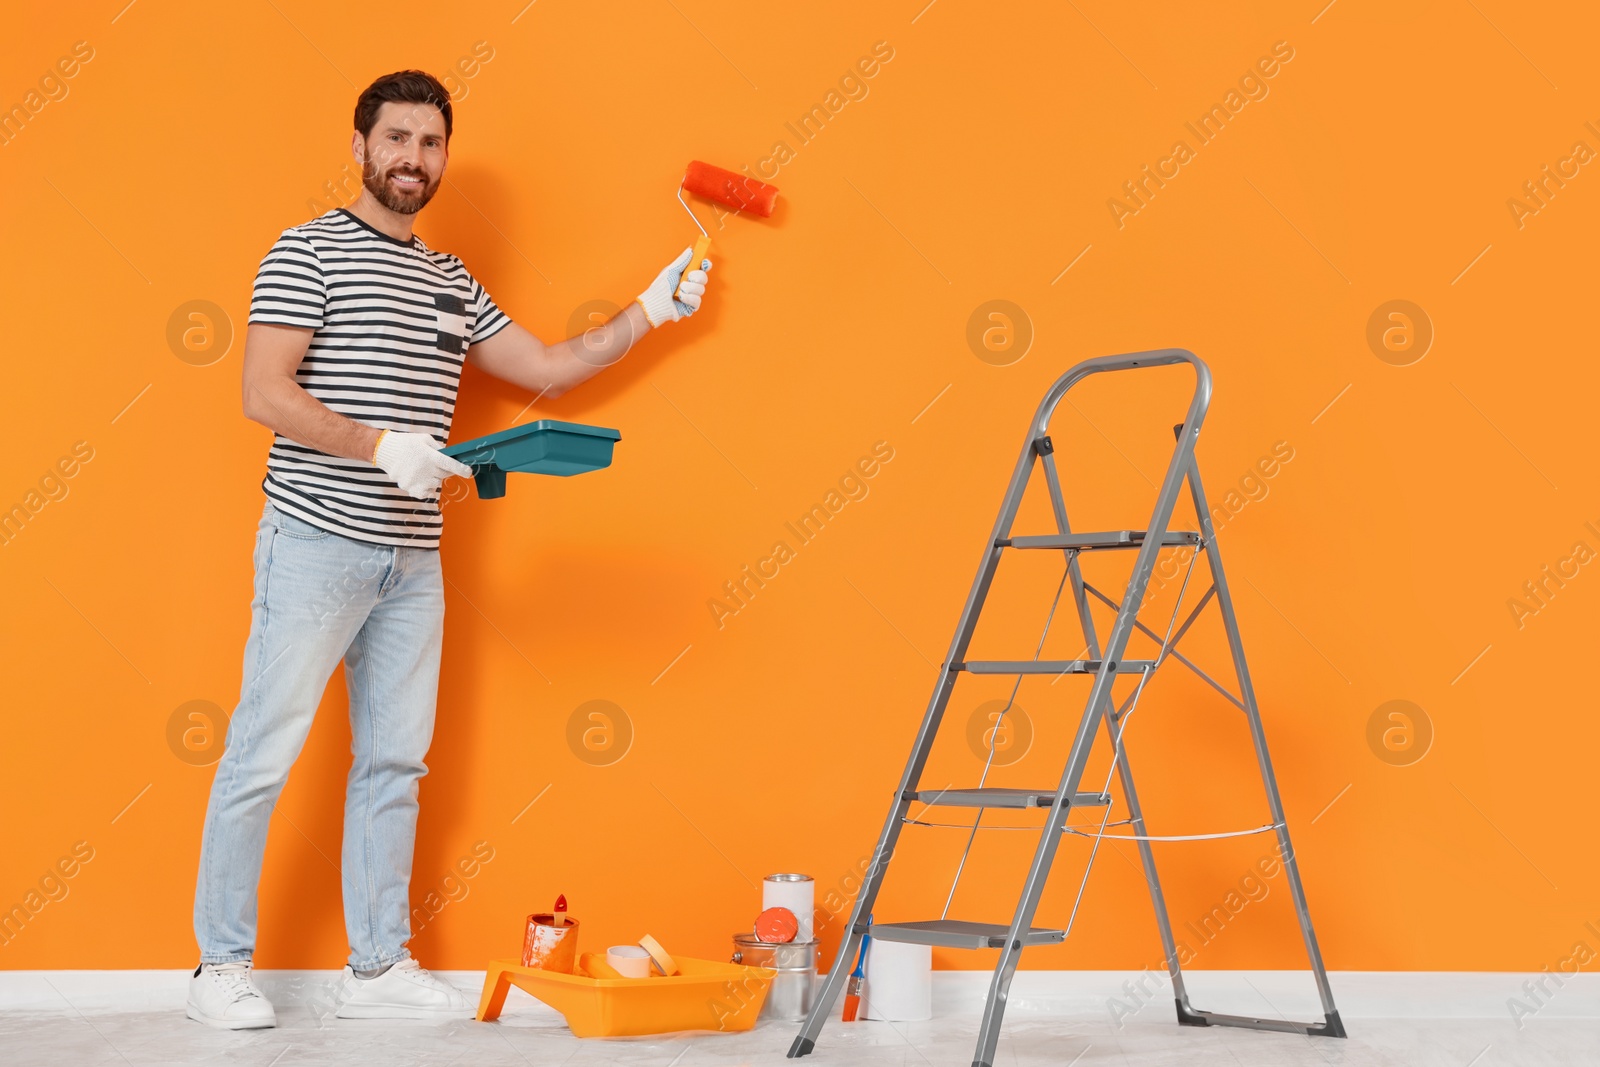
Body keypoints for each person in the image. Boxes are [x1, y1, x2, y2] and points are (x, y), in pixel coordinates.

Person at [186, 69, 710, 1029]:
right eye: (395, 140)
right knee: (263, 752)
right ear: (359, 146)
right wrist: (380, 443)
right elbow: (265, 391)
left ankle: (377, 965)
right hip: (314, 539)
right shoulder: (306, 254)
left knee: (394, 763)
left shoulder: (450, 281)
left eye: (429, 145)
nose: (411, 160)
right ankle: (219, 967)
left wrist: (651, 310)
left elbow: (551, 367)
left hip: (411, 562)